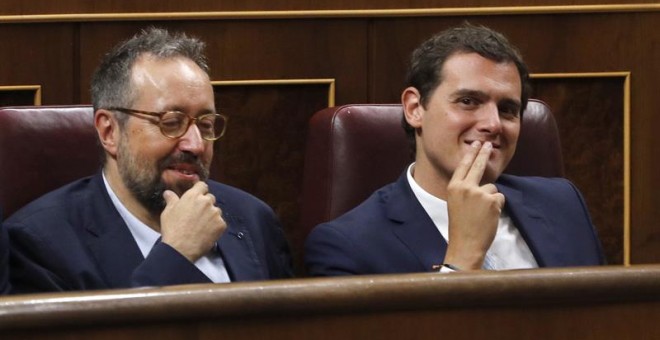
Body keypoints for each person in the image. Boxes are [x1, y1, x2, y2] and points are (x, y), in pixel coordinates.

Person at [4, 27, 293, 293]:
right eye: (171, 122)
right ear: (110, 131)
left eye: (205, 125)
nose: (195, 144)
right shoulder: (41, 243)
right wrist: (176, 255)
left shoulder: (253, 219)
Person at [305, 23, 605, 276]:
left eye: (508, 109)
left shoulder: (563, 205)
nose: (493, 124)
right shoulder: (348, 246)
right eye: (468, 101)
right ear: (414, 108)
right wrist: (463, 257)